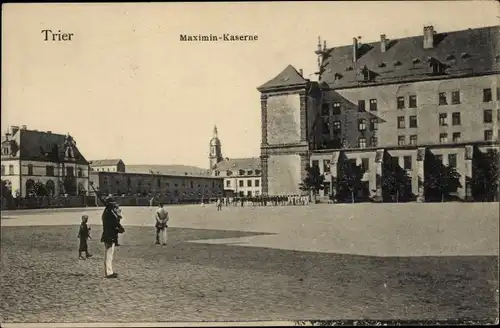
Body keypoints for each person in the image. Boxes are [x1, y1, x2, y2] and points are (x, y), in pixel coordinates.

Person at [101, 195, 124, 279]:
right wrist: (119, 229)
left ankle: (108, 271)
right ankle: (109, 272)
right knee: (109, 255)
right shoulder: (110, 213)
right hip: (110, 235)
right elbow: (113, 224)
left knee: (108, 254)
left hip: (108, 235)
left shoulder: (107, 212)